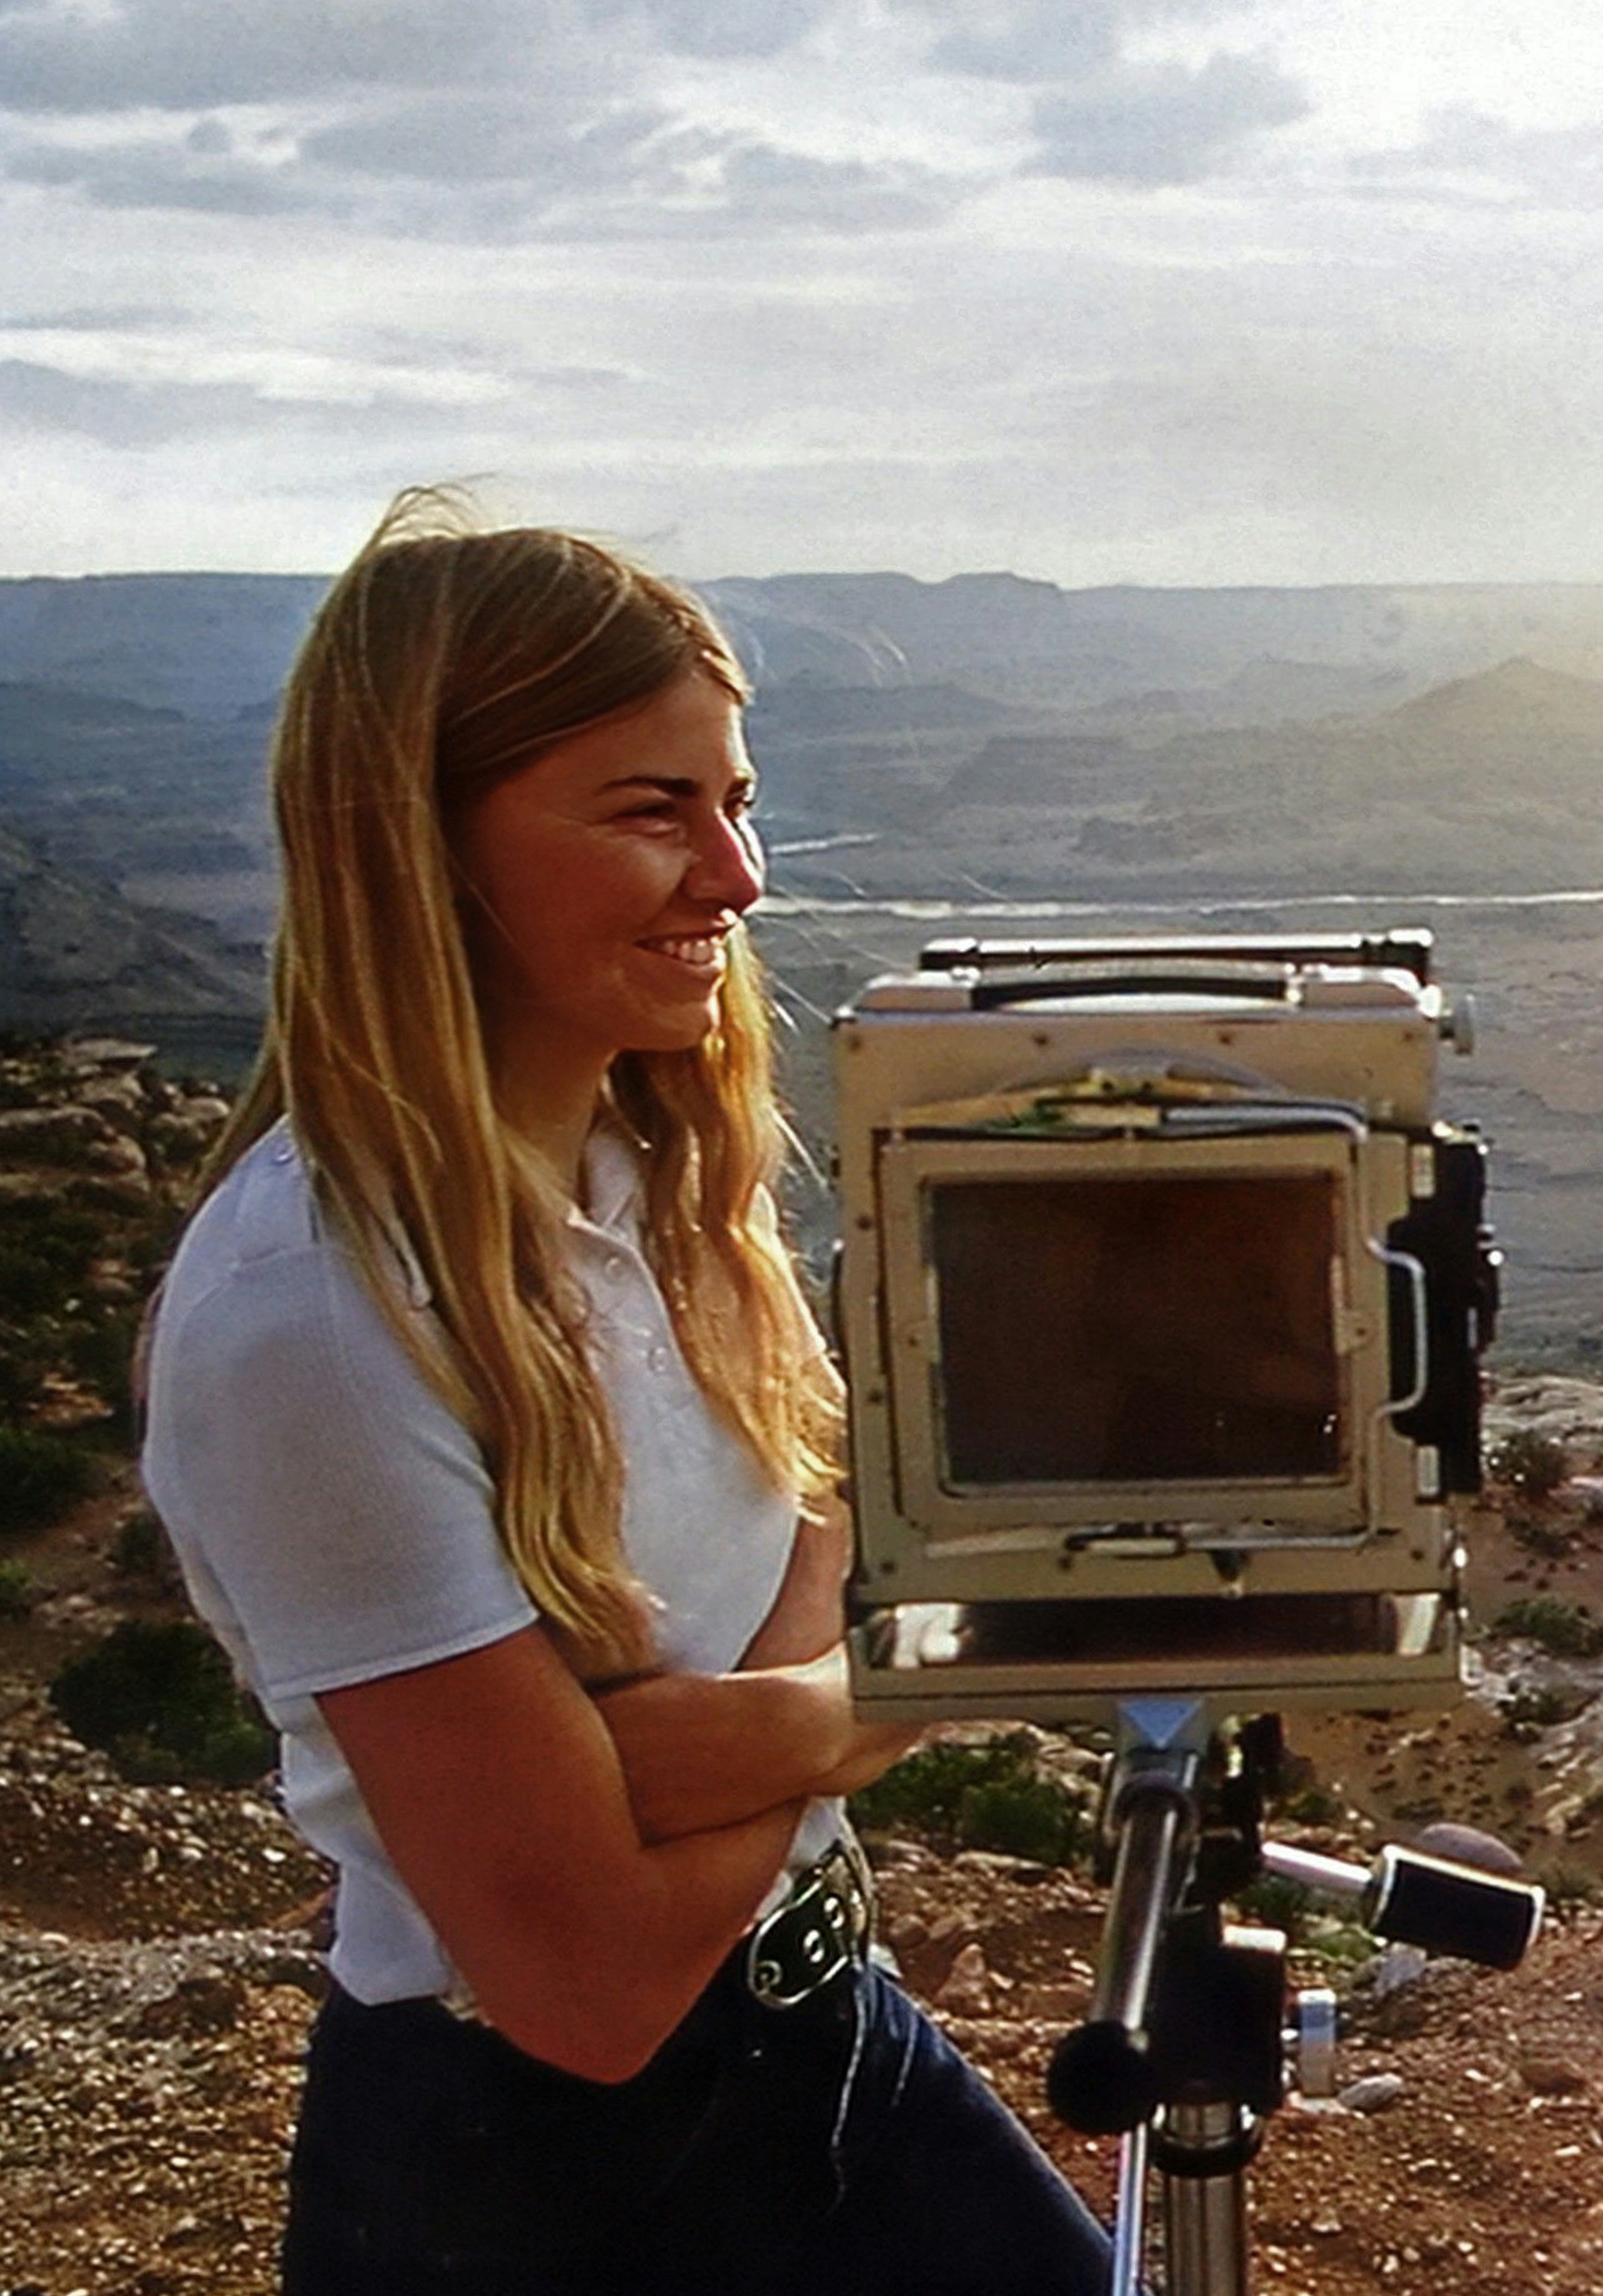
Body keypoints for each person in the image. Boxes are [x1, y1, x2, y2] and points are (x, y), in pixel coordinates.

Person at [138, 494, 1113, 2293]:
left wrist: (744, 1729)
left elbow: (834, 1502)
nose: (736, 879)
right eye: (654, 809)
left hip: (828, 2024)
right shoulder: (318, 1318)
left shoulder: (654, 1170)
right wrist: (882, 1700)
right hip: (536, 2180)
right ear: (424, 846)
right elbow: (585, 1985)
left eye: (734, 801)